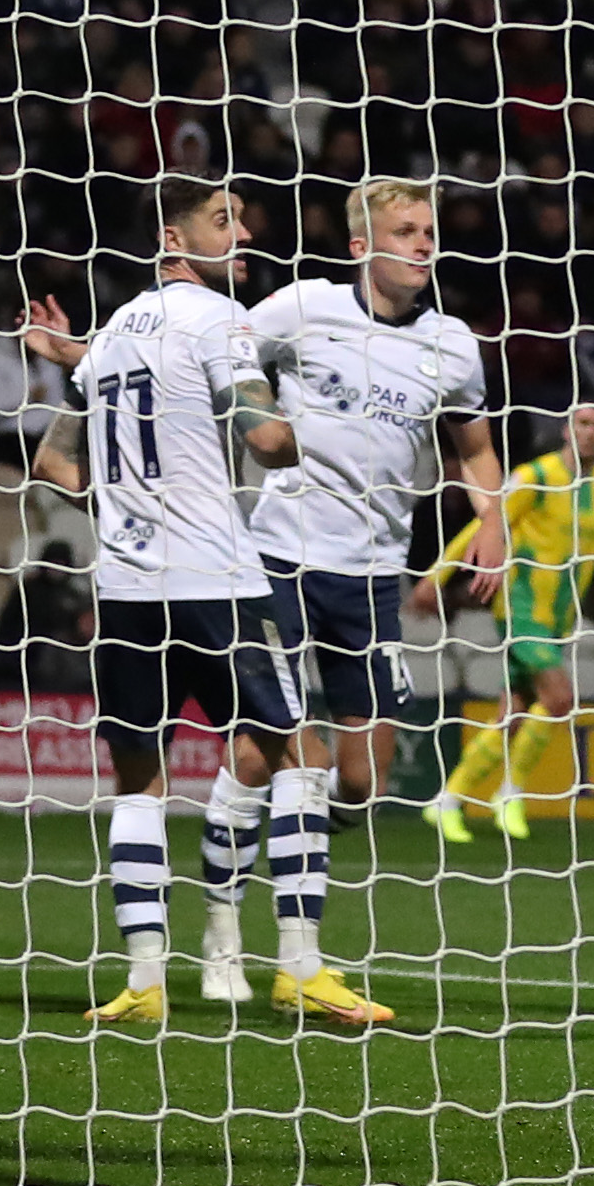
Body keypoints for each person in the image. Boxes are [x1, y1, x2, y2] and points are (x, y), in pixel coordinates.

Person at [29, 178, 383, 1029]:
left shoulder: (108, 337)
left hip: (126, 589)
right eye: (223, 219)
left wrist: (125, 501)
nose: (243, 229)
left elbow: (53, 467)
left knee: (140, 782)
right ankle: (300, 967)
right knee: (300, 756)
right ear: (173, 236)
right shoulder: (222, 321)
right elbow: (268, 443)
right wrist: (315, 412)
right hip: (217, 583)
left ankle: (145, 979)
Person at [245, 176, 503, 841]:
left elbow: (474, 451)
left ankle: (299, 825)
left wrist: (493, 524)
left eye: (428, 234)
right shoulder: (305, 307)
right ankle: (237, 902)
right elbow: (221, 351)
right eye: (405, 234)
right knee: (258, 753)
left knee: (361, 788)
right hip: (280, 556)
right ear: (362, 245)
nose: (422, 247)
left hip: (369, 577)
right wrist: (258, 419)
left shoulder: (453, 346)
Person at [426, 404, 594, 840]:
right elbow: (488, 525)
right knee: (559, 698)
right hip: (521, 610)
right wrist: (437, 576)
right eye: (583, 423)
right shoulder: (537, 476)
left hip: (560, 617)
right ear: (566, 429)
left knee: (512, 714)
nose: (590, 432)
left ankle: (449, 800)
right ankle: (510, 794)